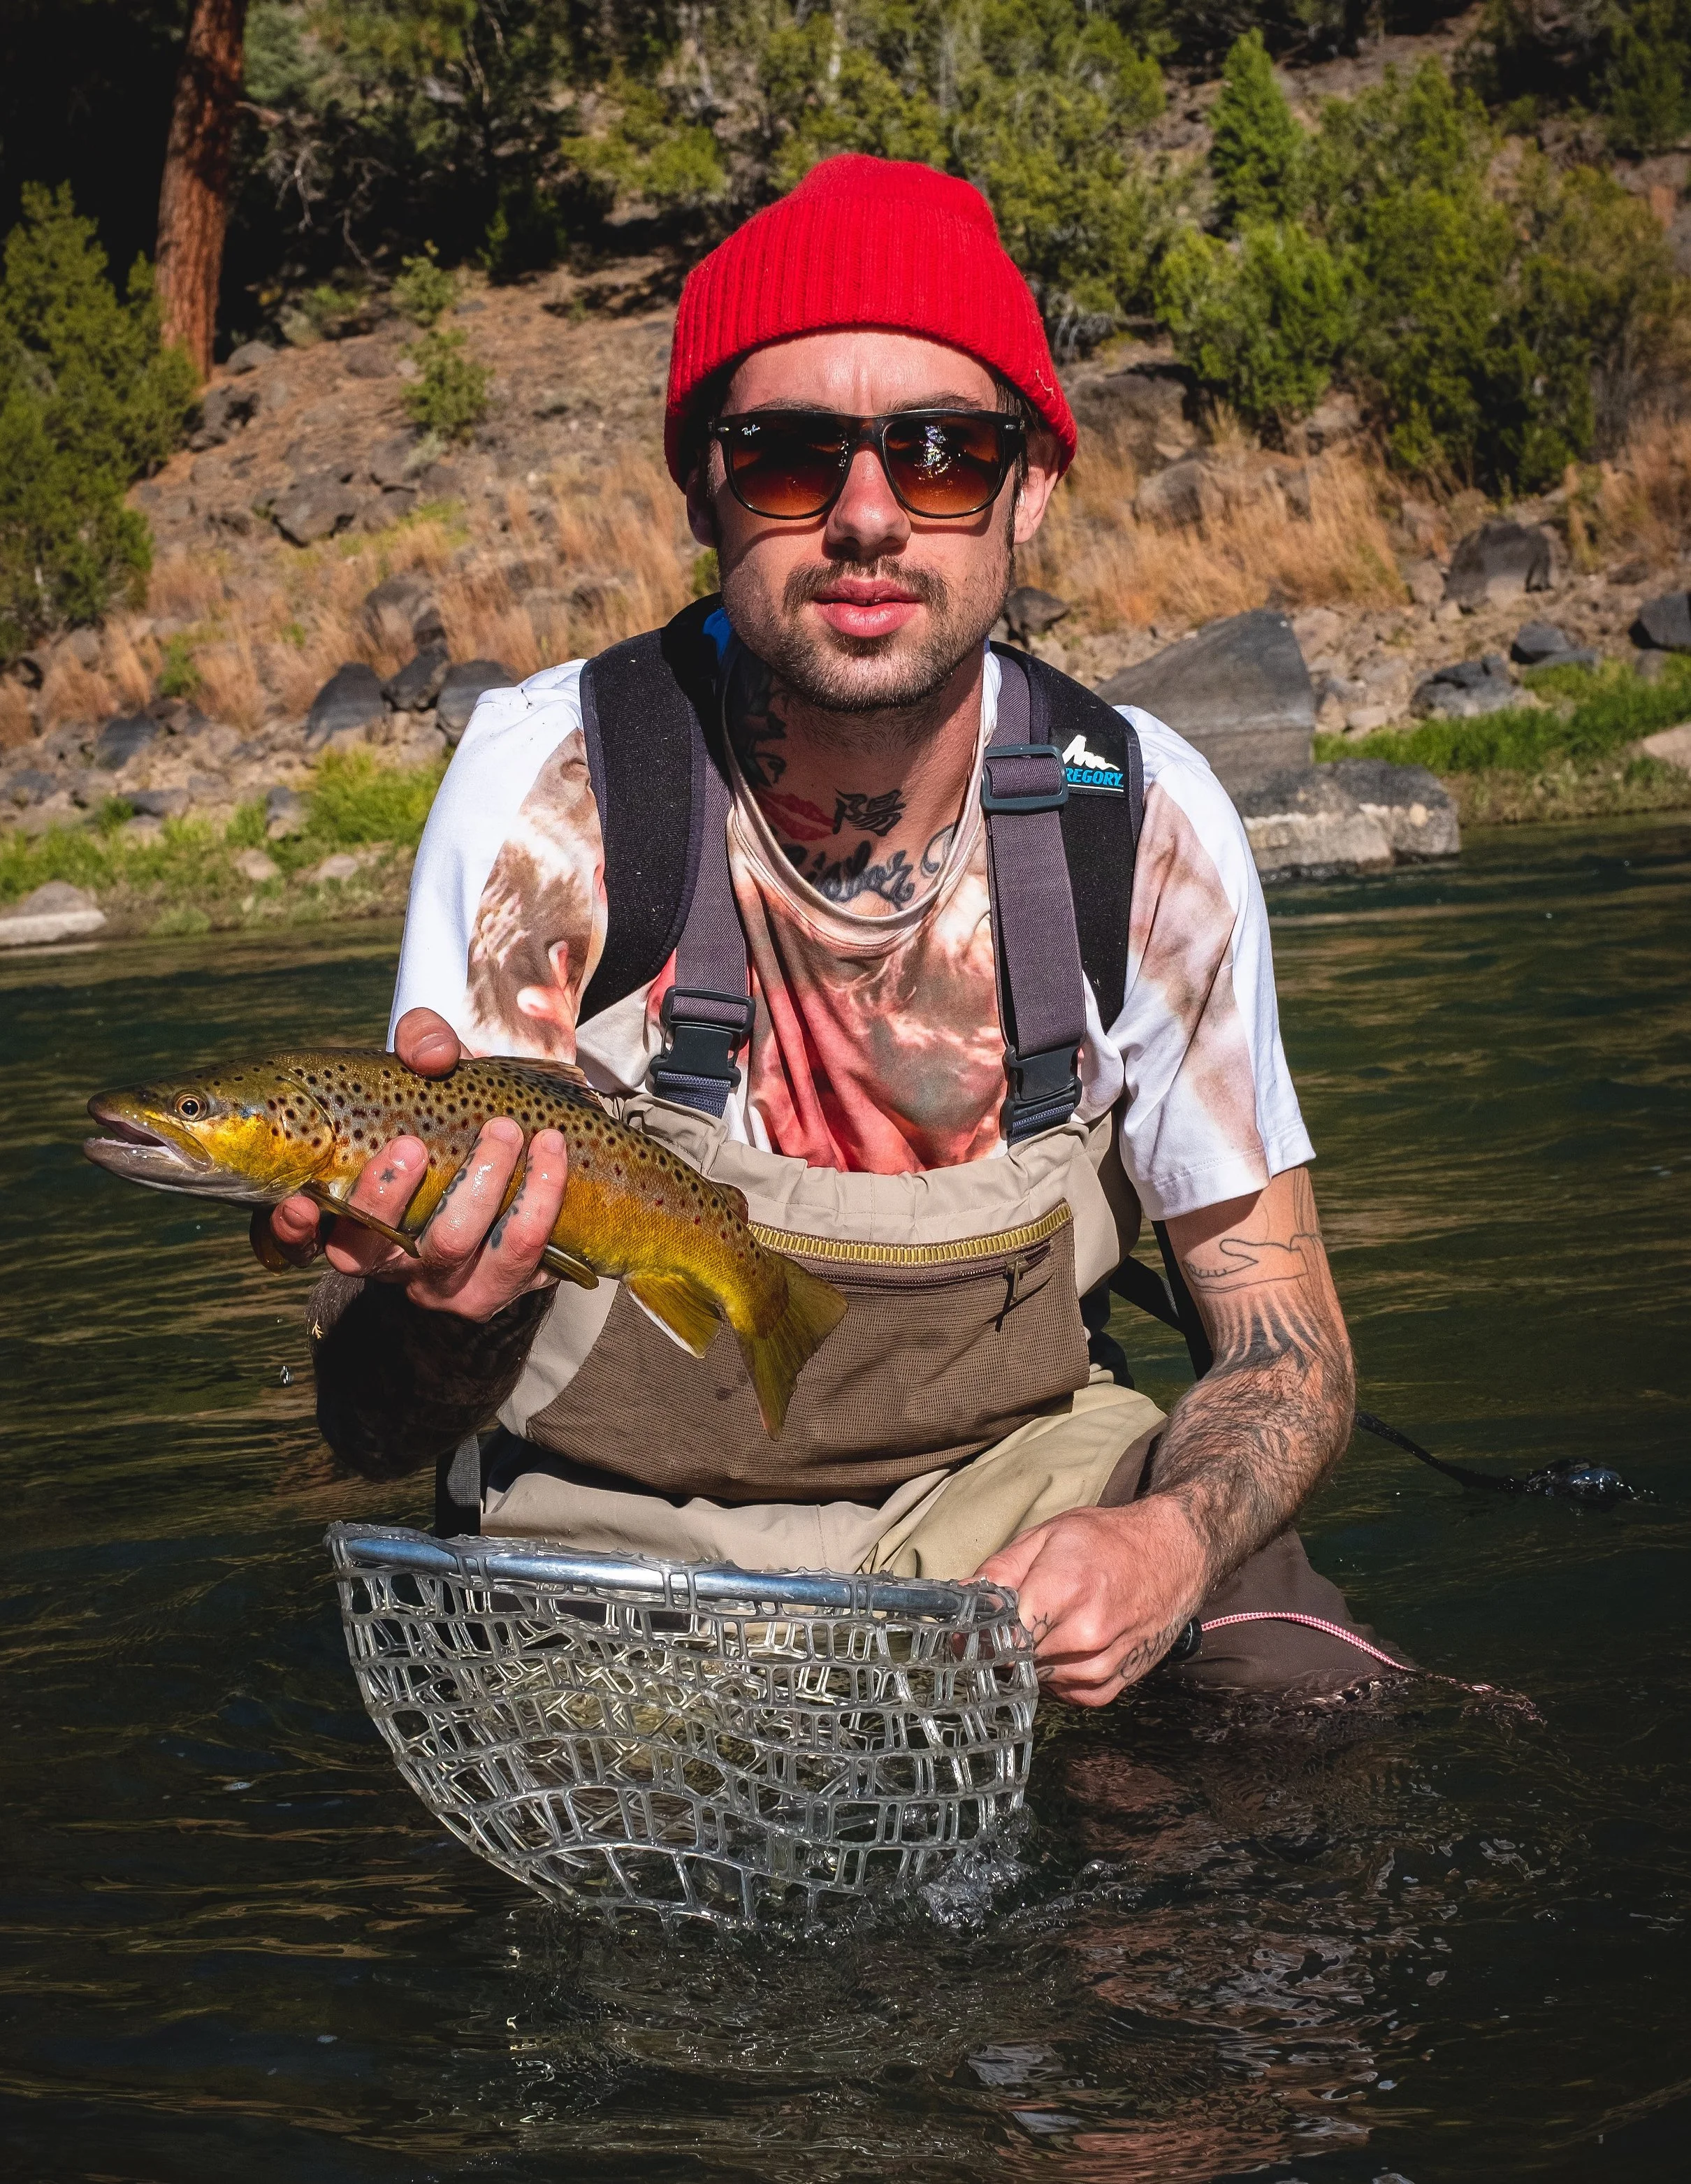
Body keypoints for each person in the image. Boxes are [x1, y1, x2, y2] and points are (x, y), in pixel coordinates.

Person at [270, 155, 1384, 1707]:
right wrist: (442, 1318)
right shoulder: (553, 793)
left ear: (1031, 489)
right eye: (791, 457)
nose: (867, 516)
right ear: (699, 486)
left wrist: (1170, 1544)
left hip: (1024, 1508)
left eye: (942, 452)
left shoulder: (1134, 818)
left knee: (1307, 1715)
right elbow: (375, 1433)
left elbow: (1283, 1347)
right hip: (613, 1556)